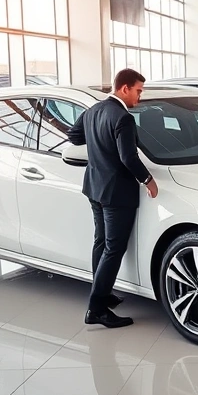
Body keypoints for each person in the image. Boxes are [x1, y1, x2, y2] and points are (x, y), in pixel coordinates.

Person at [68, 68, 158, 329]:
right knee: (114, 248)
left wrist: (98, 144)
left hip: (94, 187)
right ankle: (96, 308)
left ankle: (102, 293)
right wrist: (148, 180)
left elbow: (74, 136)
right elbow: (128, 157)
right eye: (138, 91)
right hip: (117, 192)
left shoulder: (93, 111)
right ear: (124, 88)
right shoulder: (123, 117)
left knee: (101, 242)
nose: (139, 97)